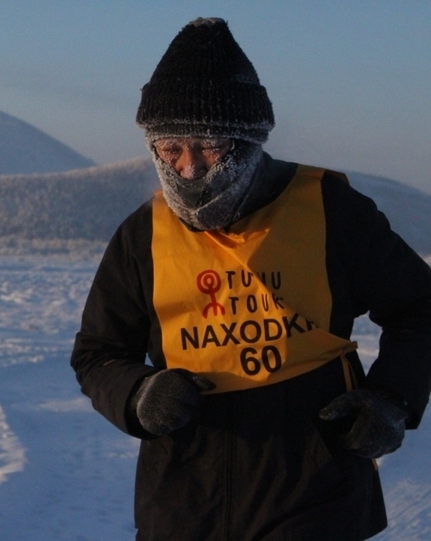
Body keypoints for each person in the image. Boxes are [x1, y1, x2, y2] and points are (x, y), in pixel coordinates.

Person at [70, 17, 431, 541]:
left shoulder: (330, 212)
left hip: (315, 500)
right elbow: (97, 354)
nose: (189, 168)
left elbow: (419, 307)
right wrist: (138, 394)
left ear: (250, 139)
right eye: (171, 148)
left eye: (210, 146)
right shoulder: (142, 237)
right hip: (182, 506)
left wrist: (391, 399)